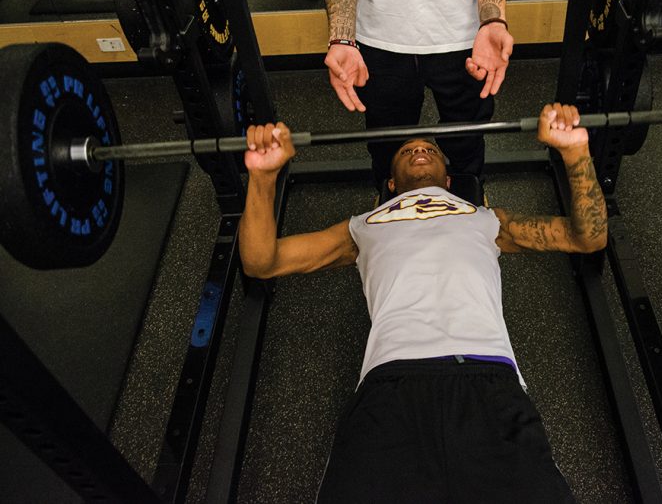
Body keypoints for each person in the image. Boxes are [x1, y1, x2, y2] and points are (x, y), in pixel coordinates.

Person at [239, 104, 606, 502]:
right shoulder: (362, 225)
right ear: (391, 185)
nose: (418, 150)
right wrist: (263, 176)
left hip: (489, 378)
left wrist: (575, 152)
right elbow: (262, 262)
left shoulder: (486, 219)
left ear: (448, 180)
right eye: (405, 151)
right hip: (390, 383)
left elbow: (588, 238)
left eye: (430, 149)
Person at [319, 0, 515, 188]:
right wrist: (341, 35)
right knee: (388, 152)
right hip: (379, 35)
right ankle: (386, 220)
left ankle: (471, 214)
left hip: (463, 35)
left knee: (466, 143)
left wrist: (493, 18)